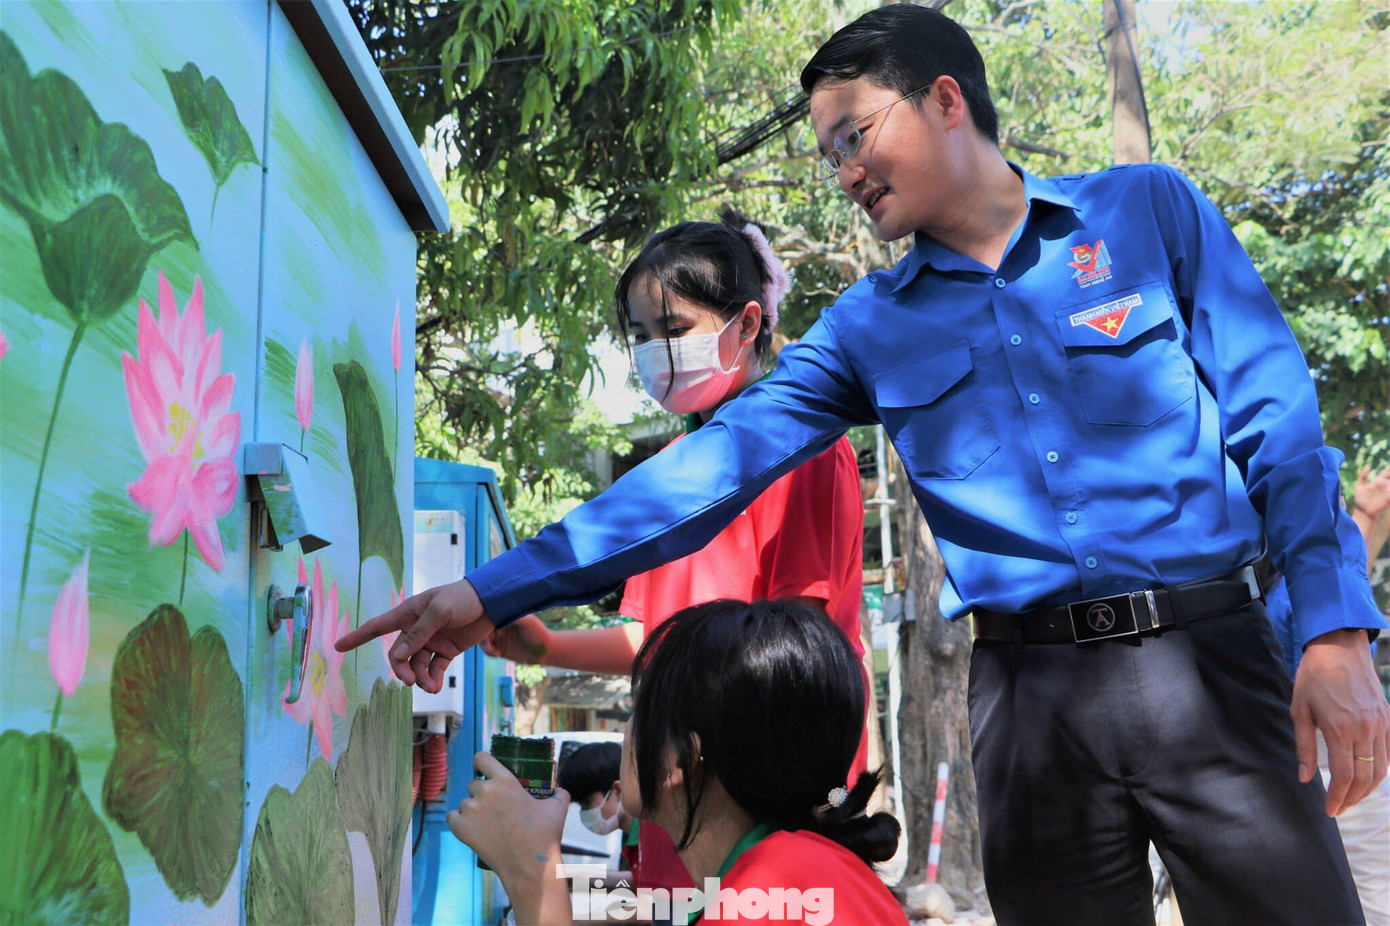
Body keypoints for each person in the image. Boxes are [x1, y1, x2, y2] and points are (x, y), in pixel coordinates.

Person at [339, 6, 1390, 924]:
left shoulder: (1146, 214)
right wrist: (490, 587)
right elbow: (698, 479)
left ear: (943, 100)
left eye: (854, 134)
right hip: (1029, 697)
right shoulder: (866, 329)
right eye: (827, 152)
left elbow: (1281, 432)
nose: (843, 170)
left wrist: (1335, 630)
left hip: (1208, 656)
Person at [482, 208, 870, 901]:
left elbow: (790, 659)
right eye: (638, 335)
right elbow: (650, 643)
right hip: (676, 796)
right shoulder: (670, 473)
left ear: (746, 326)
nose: (654, 351)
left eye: (673, 329)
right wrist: (543, 646)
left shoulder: (802, 454)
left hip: (753, 805)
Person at [447, 599, 907, 926]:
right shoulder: (801, 875)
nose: (625, 731)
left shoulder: (763, 900)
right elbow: (659, 900)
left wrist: (531, 871)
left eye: (638, 708)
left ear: (681, 760)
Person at [1266, 465, 1390, 926]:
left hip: (1353, 751)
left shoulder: (1321, 584)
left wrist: (1365, 514)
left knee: (1372, 896)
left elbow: (1344, 578)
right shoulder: (1265, 591)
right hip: (1309, 755)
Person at [557, 742, 643, 881]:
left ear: (617, 790)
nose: (584, 812)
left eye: (587, 803)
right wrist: (573, 877)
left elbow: (668, 895)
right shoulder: (632, 835)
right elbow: (641, 881)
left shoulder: (651, 835)